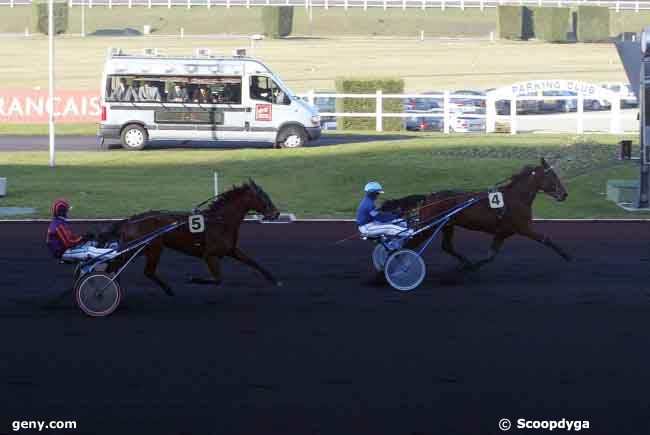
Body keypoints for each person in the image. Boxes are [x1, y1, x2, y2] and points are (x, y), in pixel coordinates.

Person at [46, 199, 115, 262]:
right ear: (62, 212)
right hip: (64, 252)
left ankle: (109, 252)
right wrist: (82, 238)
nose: (67, 213)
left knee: (91, 243)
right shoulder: (59, 225)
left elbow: (70, 239)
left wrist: (83, 237)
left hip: (65, 249)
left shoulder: (58, 222)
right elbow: (68, 243)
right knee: (89, 251)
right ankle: (114, 254)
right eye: (67, 211)